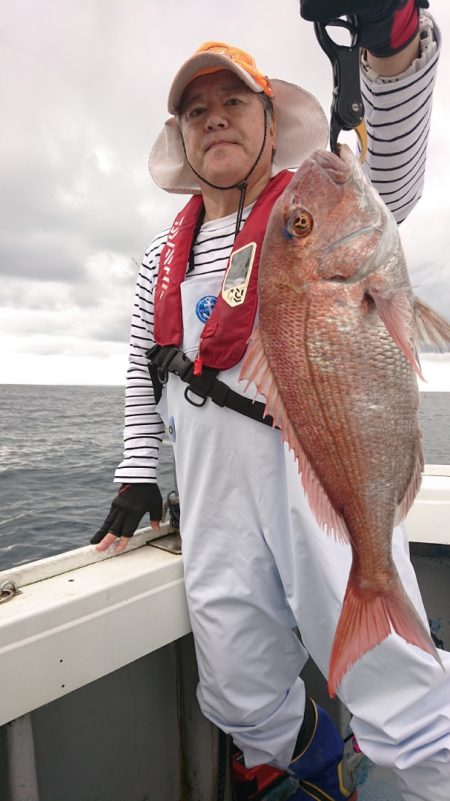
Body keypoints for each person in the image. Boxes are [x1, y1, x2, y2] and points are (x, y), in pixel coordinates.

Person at [92, 2, 450, 799]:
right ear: (181, 138)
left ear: (268, 119)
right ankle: (317, 763)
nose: (214, 118)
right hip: (211, 487)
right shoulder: (160, 253)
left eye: (233, 103)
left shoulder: (307, 207)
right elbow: (141, 365)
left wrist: (391, 48)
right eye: (195, 111)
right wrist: (135, 470)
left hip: (315, 466)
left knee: (400, 688)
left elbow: (387, 168)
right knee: (236, 680)